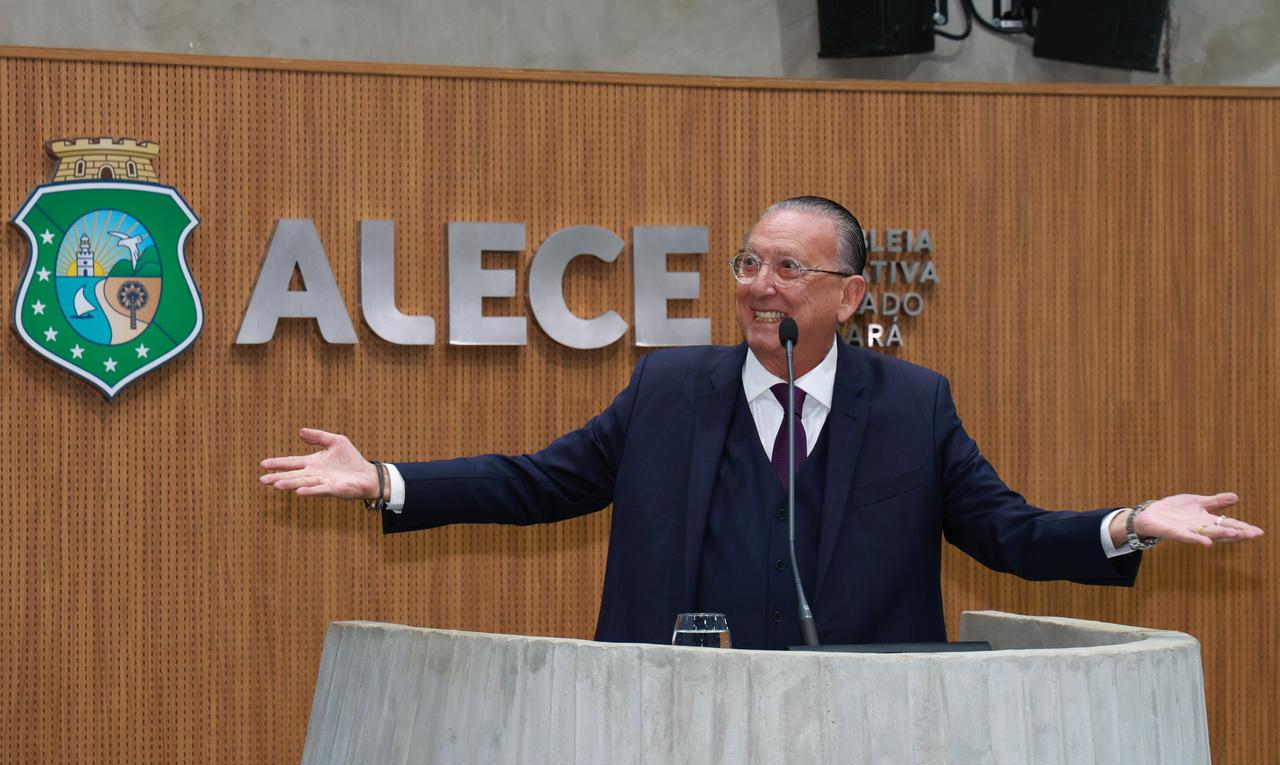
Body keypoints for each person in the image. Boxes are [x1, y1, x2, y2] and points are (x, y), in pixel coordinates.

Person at [260, 196, 1263, 649]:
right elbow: (538, 482)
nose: (758, 285)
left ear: (849, 293)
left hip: (861, 738)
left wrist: (1127, 521)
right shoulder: (667, 390)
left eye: (788, 268)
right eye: (747, 263)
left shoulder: (912, 407)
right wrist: (387, 479)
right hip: (672, 720)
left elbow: (1003, 531)